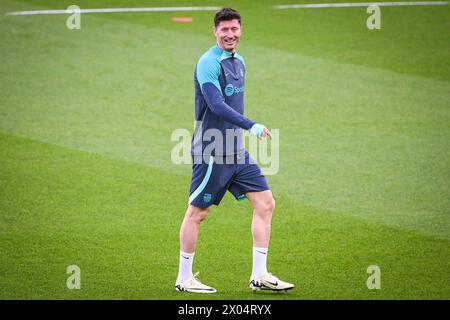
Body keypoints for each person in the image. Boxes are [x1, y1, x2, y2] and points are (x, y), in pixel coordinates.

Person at [175, 7, 294, 293]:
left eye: (234, 29)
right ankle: (184, 278)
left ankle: (260, 275)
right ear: (215, 31)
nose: (230, 34)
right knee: (197, 213)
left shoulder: (239, 61)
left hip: (236, 151)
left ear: (241, 30)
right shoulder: (208, 63)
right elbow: (215, 105)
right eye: (224, 29)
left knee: (266, 204)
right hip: (212, 150)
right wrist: (251, 125)